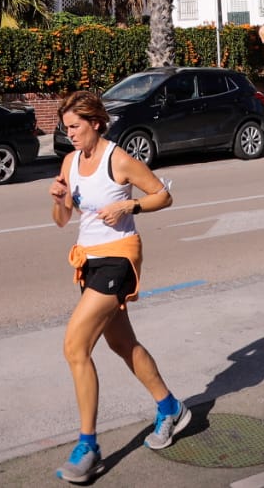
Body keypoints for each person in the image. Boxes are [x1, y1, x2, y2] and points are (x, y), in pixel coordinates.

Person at [48, 89, 191, 484]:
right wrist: (59, 199)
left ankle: (88, 447)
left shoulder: (119, 159)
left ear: (96, 122)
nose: (70, 134)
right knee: (121, 344)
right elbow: (62, 219)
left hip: (120, 258)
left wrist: (130, 206)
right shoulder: (71, 161)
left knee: (75, 346)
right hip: (89, 260)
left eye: (75, 127)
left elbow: (164, 195)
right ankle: (171, 408)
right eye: (66, 128)